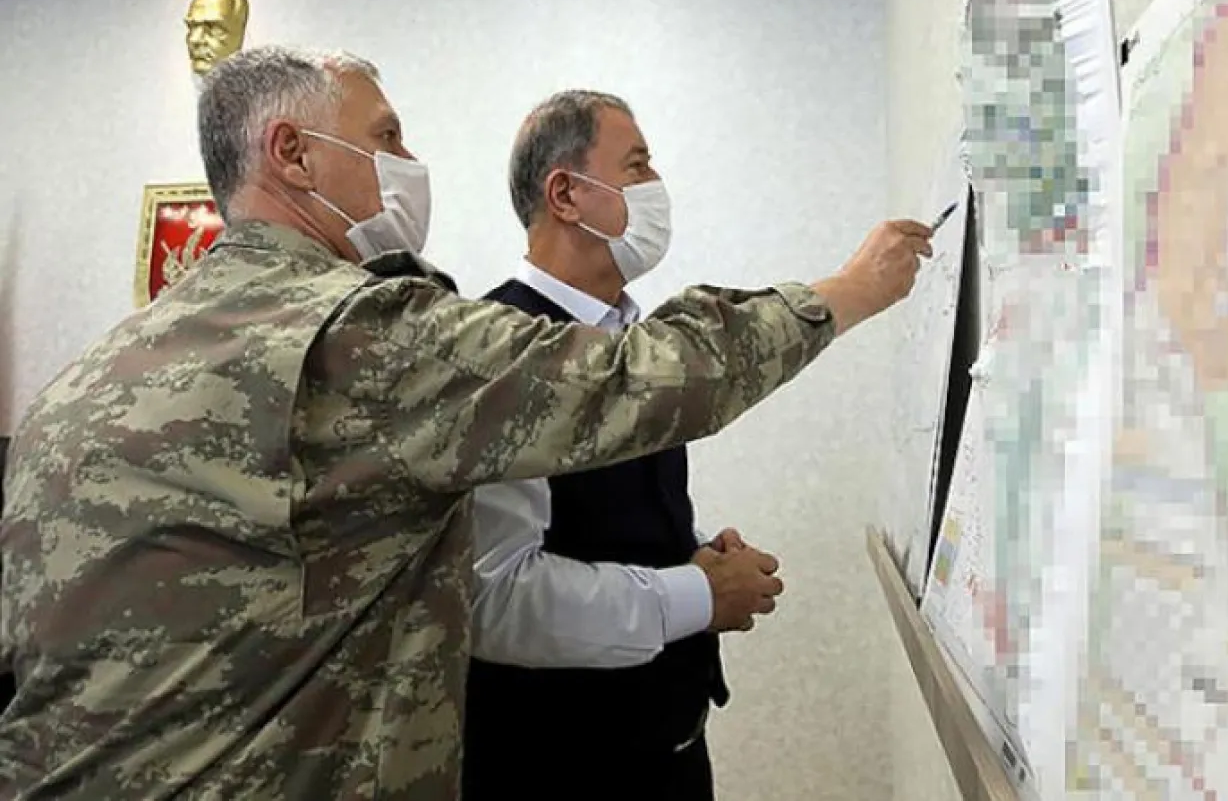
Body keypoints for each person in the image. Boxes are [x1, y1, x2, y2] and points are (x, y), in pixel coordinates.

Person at [0, 45, 931, 800]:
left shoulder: (85, 377)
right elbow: (635, 386)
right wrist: (846, 292)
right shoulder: (364, 334)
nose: (410, 163)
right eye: (386, 136)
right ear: (292, 156)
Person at [464, 91, 780, 800]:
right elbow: (502, 593)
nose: (656, 186)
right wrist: (699, 592)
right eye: (636, 166)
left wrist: (692, 550)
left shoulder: (632, 340)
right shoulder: (496, 351)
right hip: (557, 770)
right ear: (567, 194)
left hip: (667, 752)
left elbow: (600, 517)